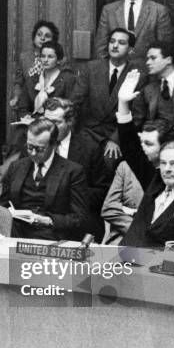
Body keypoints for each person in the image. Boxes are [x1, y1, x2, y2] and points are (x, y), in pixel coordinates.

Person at [0, 118, 89, 241]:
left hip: (52, 235)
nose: (33, 153)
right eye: (30, 147)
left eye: (40, 149)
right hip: (16, 232)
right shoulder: (16, 167)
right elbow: (2, 205)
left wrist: (48, 221)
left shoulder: (73, 172)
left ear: (54, 145)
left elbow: (79, 218)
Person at [43, 98, 111, 241]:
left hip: (77, 220)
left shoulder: (90, 148)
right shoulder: (36, 144)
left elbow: (102, 192)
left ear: (70, 122)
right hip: (42, 218)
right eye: (46, 121)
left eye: (56, 123)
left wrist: (67, 193)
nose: (49, 128)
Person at [72, 28, 145, 160]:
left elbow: (137, 115)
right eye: (112, 41)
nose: (115, 45)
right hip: (88, 132)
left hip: (116, 133)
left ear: (131, 49)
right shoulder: (91, 68)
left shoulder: (136, 74)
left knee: (110, 160)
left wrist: (116, 139)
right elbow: (75, 102)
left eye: (121, 43)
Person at [121, 41, 174, 140]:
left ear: (168, 60)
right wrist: (114, 140)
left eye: (153, 58)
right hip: (155, 145)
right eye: (147, 59)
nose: (147, 62)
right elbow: (136, 120)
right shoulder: (148, 89)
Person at [95, 0, 173, 61]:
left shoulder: (159, 11)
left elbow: (165, 50)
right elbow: (100, 49)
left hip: (146, 72)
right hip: (116, 71)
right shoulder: (109, 10)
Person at [10, 20, 59, 112]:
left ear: (53, 40)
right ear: (34, 37)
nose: (42, 38)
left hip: (51, 106)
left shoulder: (59, 59)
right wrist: (16, 98)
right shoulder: (24, 57)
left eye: (47, 36)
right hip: (28, 105)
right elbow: (19, 83)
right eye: (39, 35)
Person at [18, 41, 75, 116]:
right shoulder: (31, 80)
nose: (45, 60)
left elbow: (71, 109)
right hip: (33, 124)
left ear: (58, 60)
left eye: (50, 57)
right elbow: (23, 108)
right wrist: (27, 116)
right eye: (43, 56)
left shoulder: (67, 79)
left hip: (56, 123)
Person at [101, 160, 144, 244]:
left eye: (149, 145)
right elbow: (108, 208)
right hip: (123, 235)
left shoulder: (171, 172)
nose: (143, 147)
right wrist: (137, 230)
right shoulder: (126, 166)